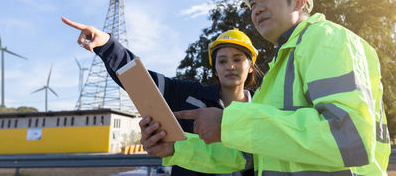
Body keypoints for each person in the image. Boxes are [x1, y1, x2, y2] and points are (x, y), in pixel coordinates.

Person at [140, 0, 391, 175]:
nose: (257, 9)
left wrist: (229, 124)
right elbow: (249, 153)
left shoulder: (326, 39)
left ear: (300, 1)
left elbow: (349, 136)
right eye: (252, 5)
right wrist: (176, 149)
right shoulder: (278, 70)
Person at [62, 17, 259, 176]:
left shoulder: (264, 109)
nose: (230, 66)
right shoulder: (189, 95)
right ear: (215, 68)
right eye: (222, 61)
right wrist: (107, 45)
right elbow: (138, 80)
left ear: (250, 65)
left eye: (238, 59)